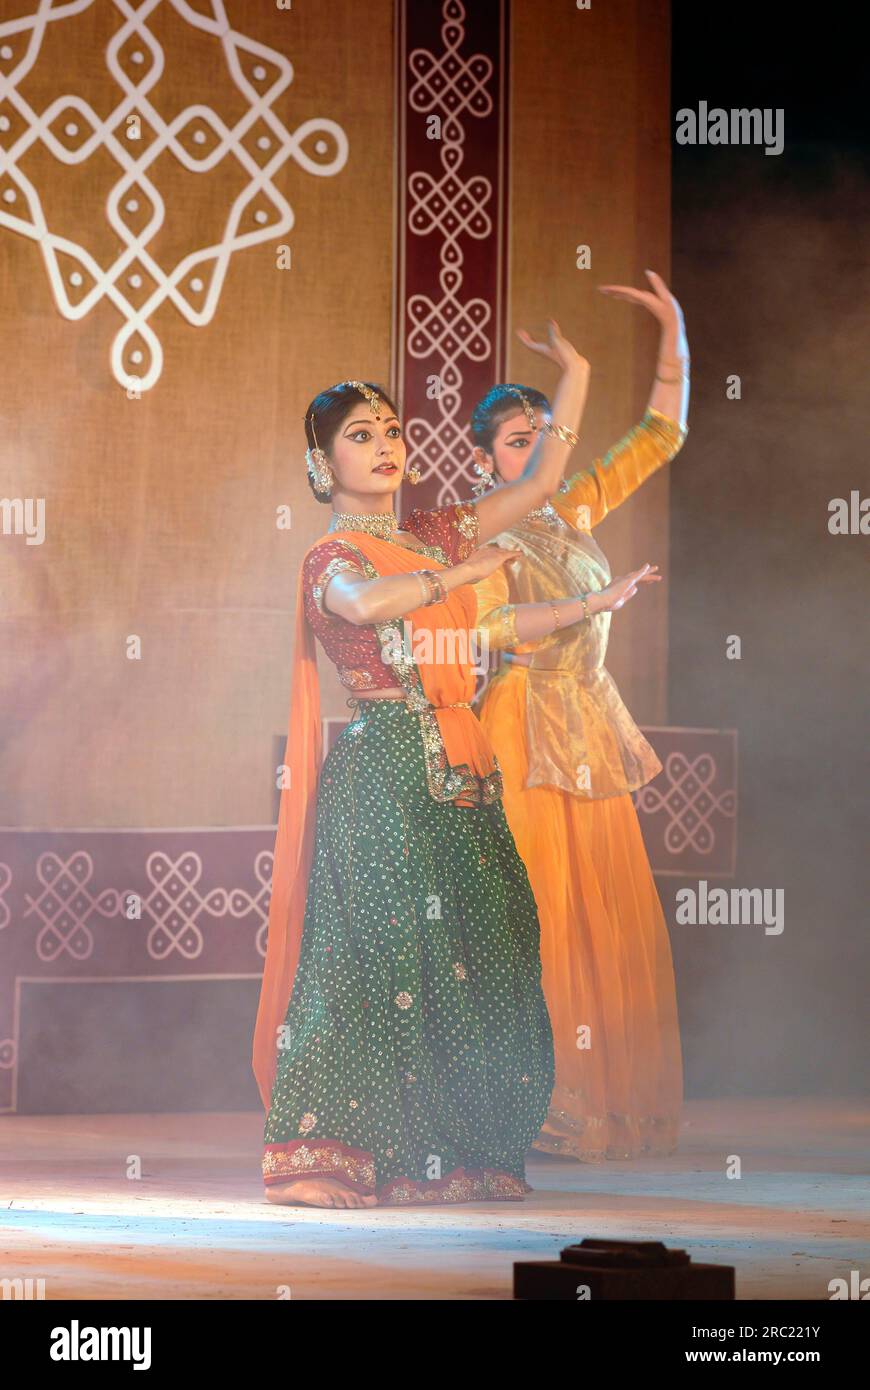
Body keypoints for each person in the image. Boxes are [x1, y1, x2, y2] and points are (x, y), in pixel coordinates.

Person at [253, 328, 641, 1208]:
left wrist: (576, 375)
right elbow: (364, 603)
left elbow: (539, 483)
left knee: (487, 952)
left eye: (391, 430)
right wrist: (459, 572)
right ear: (322, 463)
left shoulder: (431, 530)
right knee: (383, 962)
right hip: (386, 770)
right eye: (360, 434)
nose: (385, 443)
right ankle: (323, 1157)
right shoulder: (336, 557)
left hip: (467, 771)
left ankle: (456, 1153)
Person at [468, 271, 690, 1161]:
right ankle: (535, 1104)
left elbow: (661, 435)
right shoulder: (487, 528)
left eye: (545, 435)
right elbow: (481, 627)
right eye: (519, 441)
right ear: (486, 457)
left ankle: (605, 1105)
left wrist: (674, 332)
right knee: (543, 917)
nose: (536, 450)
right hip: (520, 728)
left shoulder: (574, 510)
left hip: (589, 724)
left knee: (606, 916)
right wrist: (587, 611)